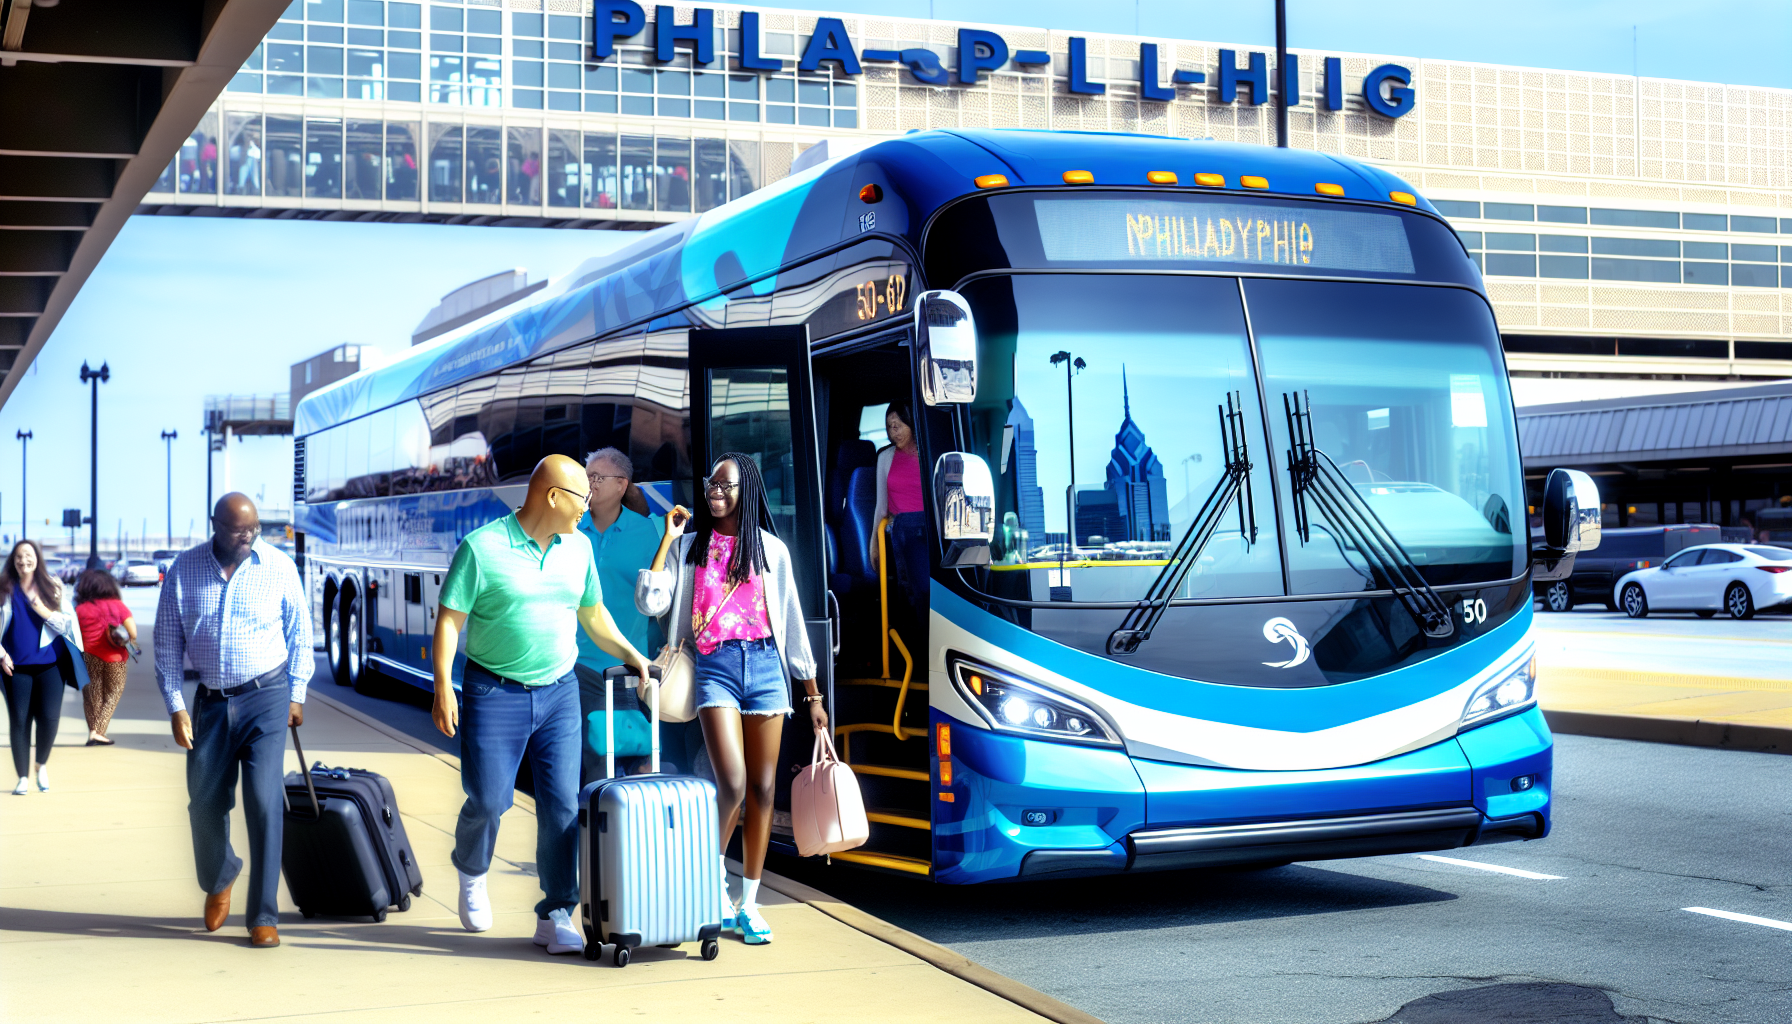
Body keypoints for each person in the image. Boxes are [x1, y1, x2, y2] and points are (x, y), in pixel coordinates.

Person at [432, 454, 651, 957]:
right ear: (553, 496)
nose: (588, 506)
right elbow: (449, 622)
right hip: (493, 689)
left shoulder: (578, 550)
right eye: (582, 496)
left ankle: (556, 911)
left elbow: (594, 616)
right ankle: (472, 869)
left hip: (559, 692)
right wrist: (442, 685)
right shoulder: (482, 548)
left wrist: (634, 656)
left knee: (560, 807)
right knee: (489, 799)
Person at [637, 452, 826, 946]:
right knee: (734, 784)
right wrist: (667, 540)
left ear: (749, 491)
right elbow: (651, 602)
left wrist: (812, 695)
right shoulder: (692, 548)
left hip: (766, 669)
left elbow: (792, 623)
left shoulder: (771, 552)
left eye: (726, 485)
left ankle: (749, 902)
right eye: (711, 483)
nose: (714, 491)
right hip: (714, 668)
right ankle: (710, 887)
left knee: (764, 790)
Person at [155, 494, 311, 948]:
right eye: (239, 530)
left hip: (267, 696)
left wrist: (297, 694)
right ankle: (220, 874)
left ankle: (263, 915)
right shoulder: (185, 569)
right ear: (215, 526)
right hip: (211, 704)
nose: (248, 536)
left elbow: (300, 633)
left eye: (254, 528)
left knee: (263, 803)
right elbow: (166, 644)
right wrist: (175, 705)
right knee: (204, 805)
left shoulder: (278, 567)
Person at [573, 448, 704, 782]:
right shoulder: (570, 529)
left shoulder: (649, 533)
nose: (589, 484)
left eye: (597, 478)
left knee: (629, 751)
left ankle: (618, 820)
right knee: (596, 755)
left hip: (628, 665)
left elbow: (664, 593)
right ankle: (595, 823)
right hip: (575, 664)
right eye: (587, 476)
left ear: (621, 485)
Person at [1, 540, 88, 795]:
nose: (23, 560)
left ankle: (40, 765)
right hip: (14, 667)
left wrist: (43, 610)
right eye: (18, 556)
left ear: (37, 558)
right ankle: (22, 778)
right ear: (13, 561)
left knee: (49, 719)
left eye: (28, 555)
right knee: (19, 720)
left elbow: (68, 626)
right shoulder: (5, 588)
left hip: (51, 666)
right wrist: (2, 653)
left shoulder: (52, 587)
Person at [870, 402, 929, 628]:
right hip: (904, 531)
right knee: (921, 589)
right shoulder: (885, 458)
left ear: (911, 423)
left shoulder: (927, 452)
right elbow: (881, 507)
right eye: (889, 427)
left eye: (898, 425)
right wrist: (873, 543)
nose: (894, 432)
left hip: (928, 529)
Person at [75, 569, 135, 746]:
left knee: (92, 695)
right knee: (113, 693)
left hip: (88, 655)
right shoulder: (117, 605)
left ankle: (94, 732)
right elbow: (133, 632)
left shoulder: (80, 609)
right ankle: (98, 732)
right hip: (115, 657)